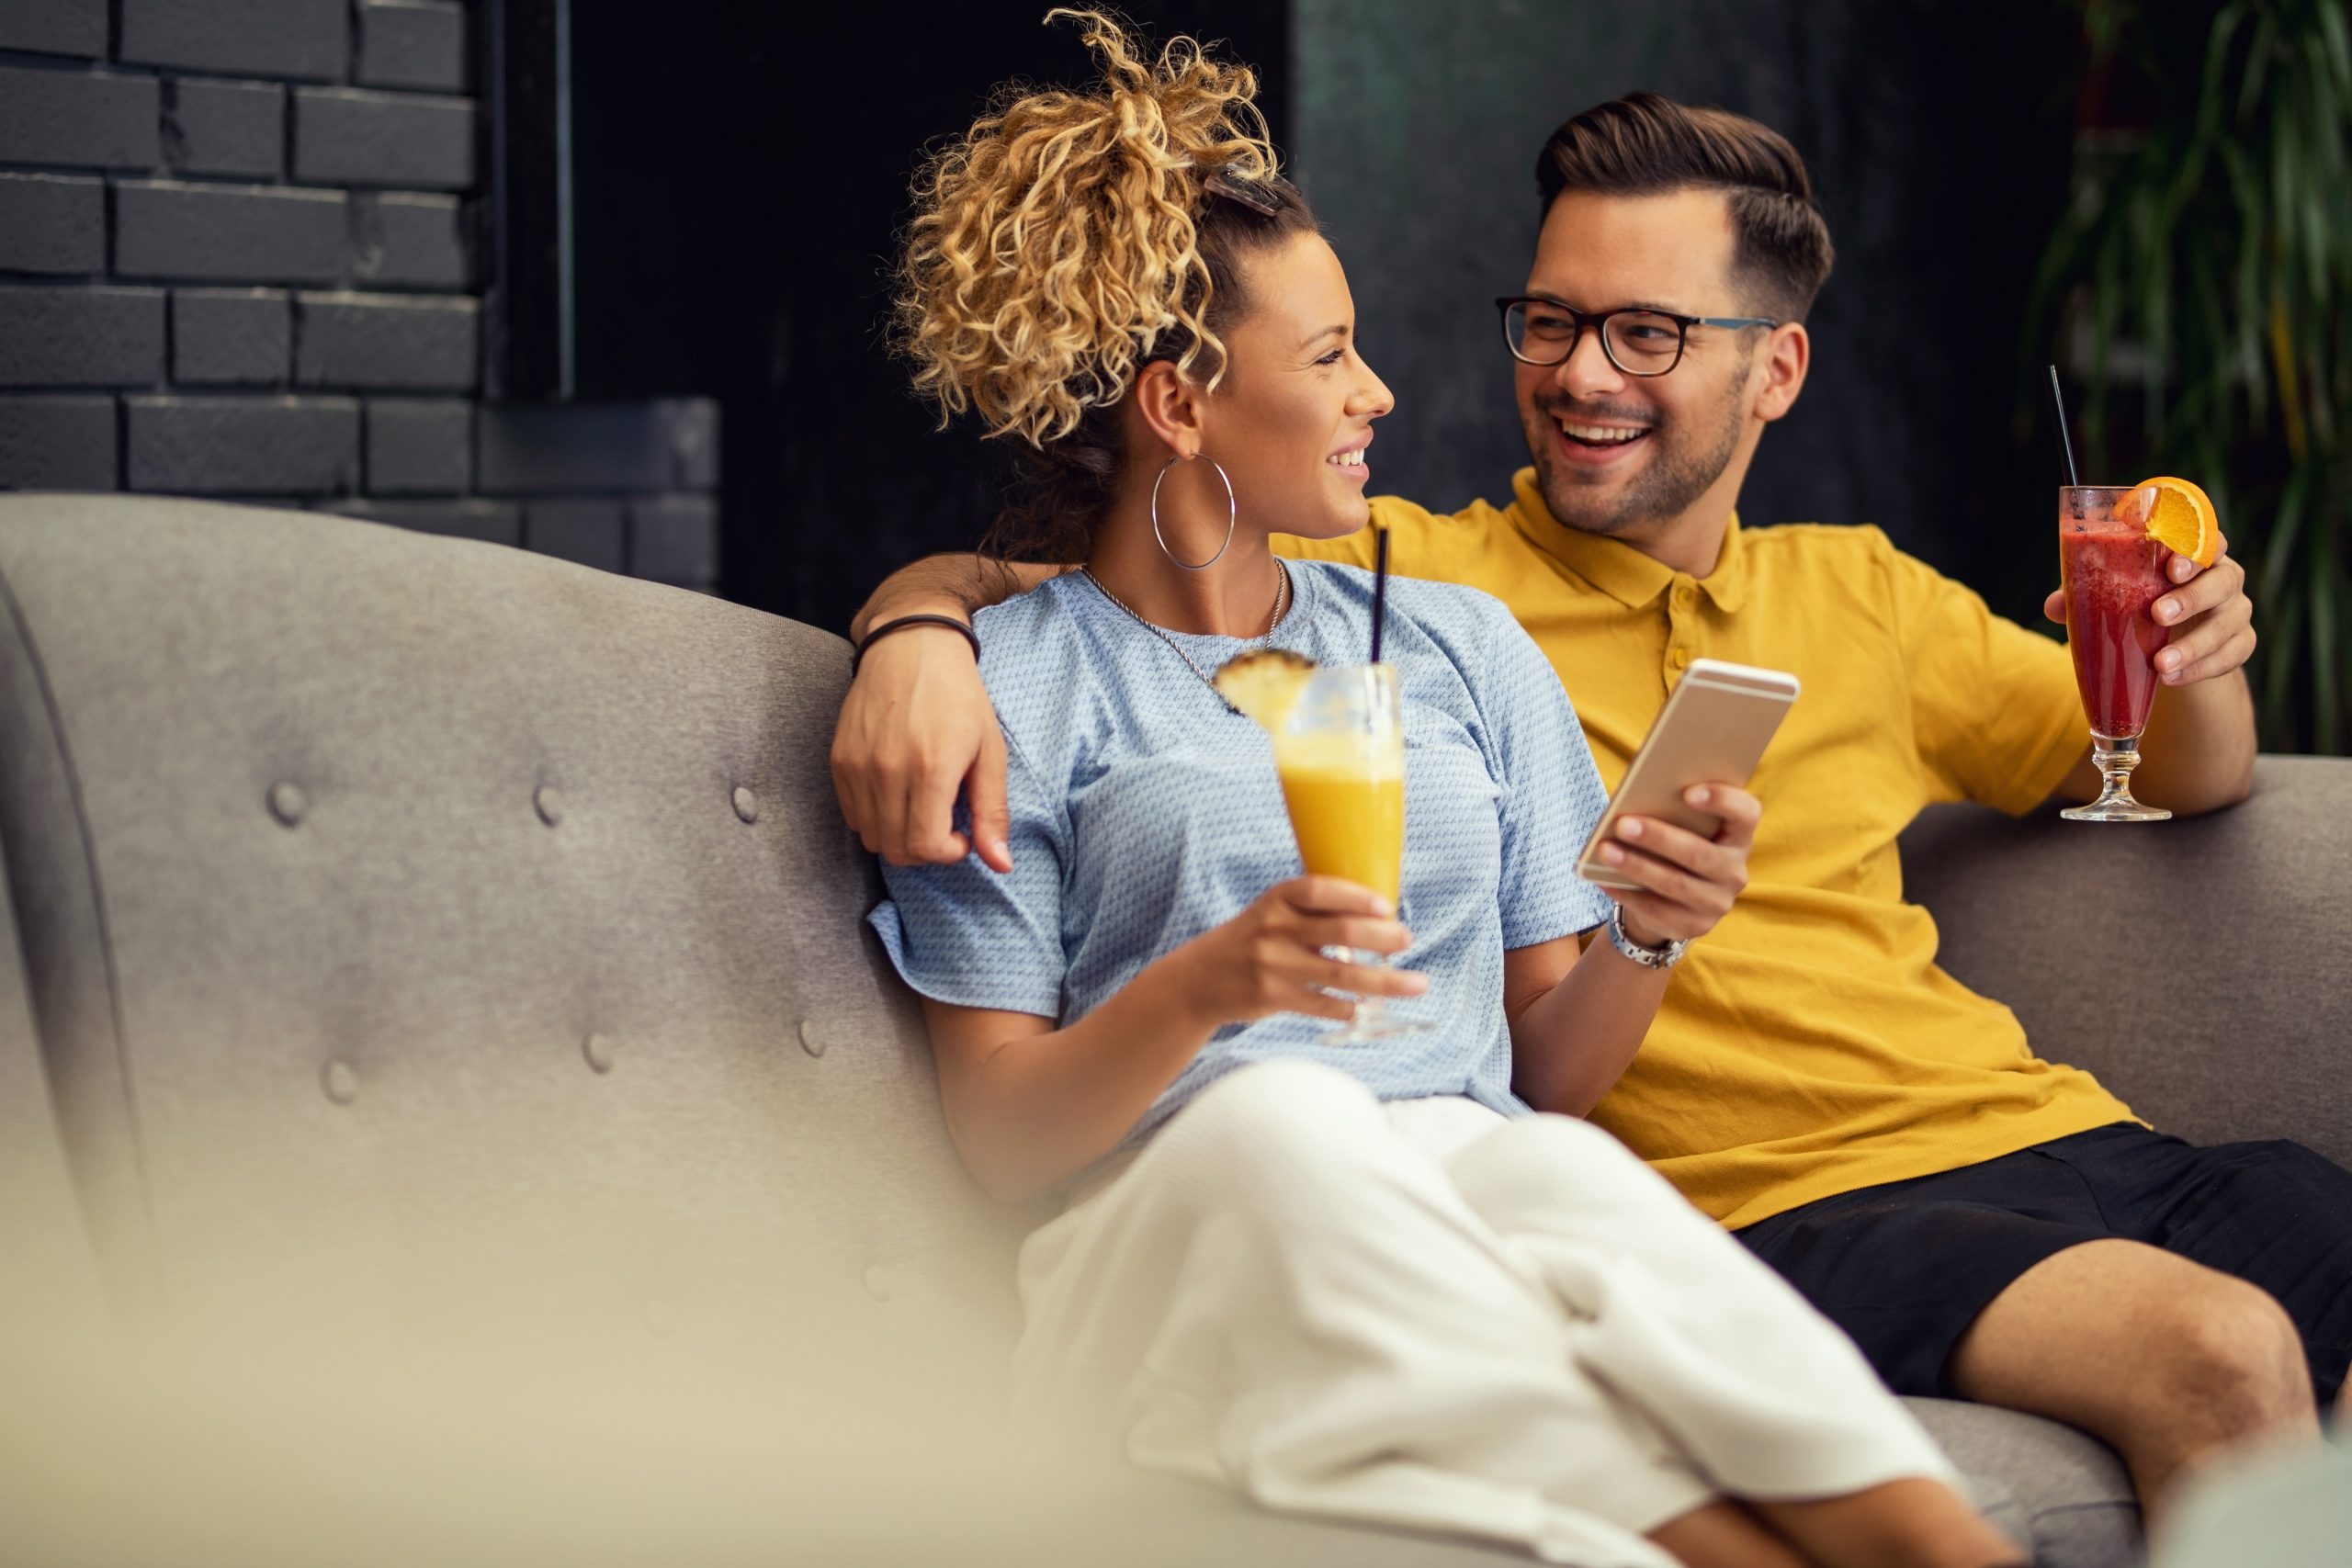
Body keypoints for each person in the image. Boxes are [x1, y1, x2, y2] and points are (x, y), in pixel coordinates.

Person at [835, 84, 2352, 1518]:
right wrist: (914, 629)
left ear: (1778, 368)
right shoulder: (1403, 584)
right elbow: (1104, 599)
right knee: (2218, 1353)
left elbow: (2185, 773)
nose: (1576, 373)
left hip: (2046, 1128)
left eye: (1643, 332)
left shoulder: (1871, 596)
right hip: (1770, 1212)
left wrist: (2196, 643)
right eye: (1550, 321)